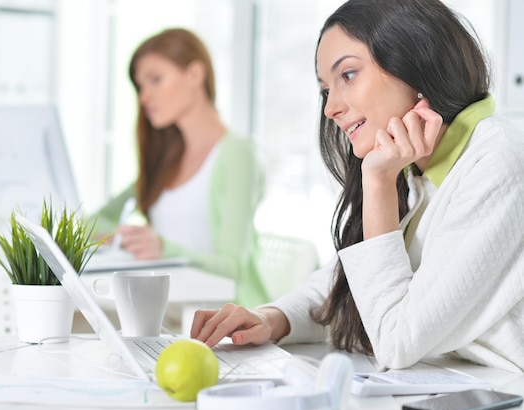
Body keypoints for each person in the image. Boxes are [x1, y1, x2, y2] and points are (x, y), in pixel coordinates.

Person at [191, 0, 524, 373]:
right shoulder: (414, 170)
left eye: (347, 75)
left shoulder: (497, 162)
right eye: (325, 90)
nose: (331, 108)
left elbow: (396, 342)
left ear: (415, 62)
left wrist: (378, 182)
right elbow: (349, 289)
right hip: (449, 385)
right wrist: (272, 318)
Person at [90, 28, 268, 307]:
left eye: (156, 80)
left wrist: (162, 248)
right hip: (168, 311)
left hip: (225, 317)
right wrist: (125, 239)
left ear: (195, 75)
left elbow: (233, 269)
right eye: (140, 86)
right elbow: (93, 223)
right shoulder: (166, 161)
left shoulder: (236, 154)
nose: (144, 97)